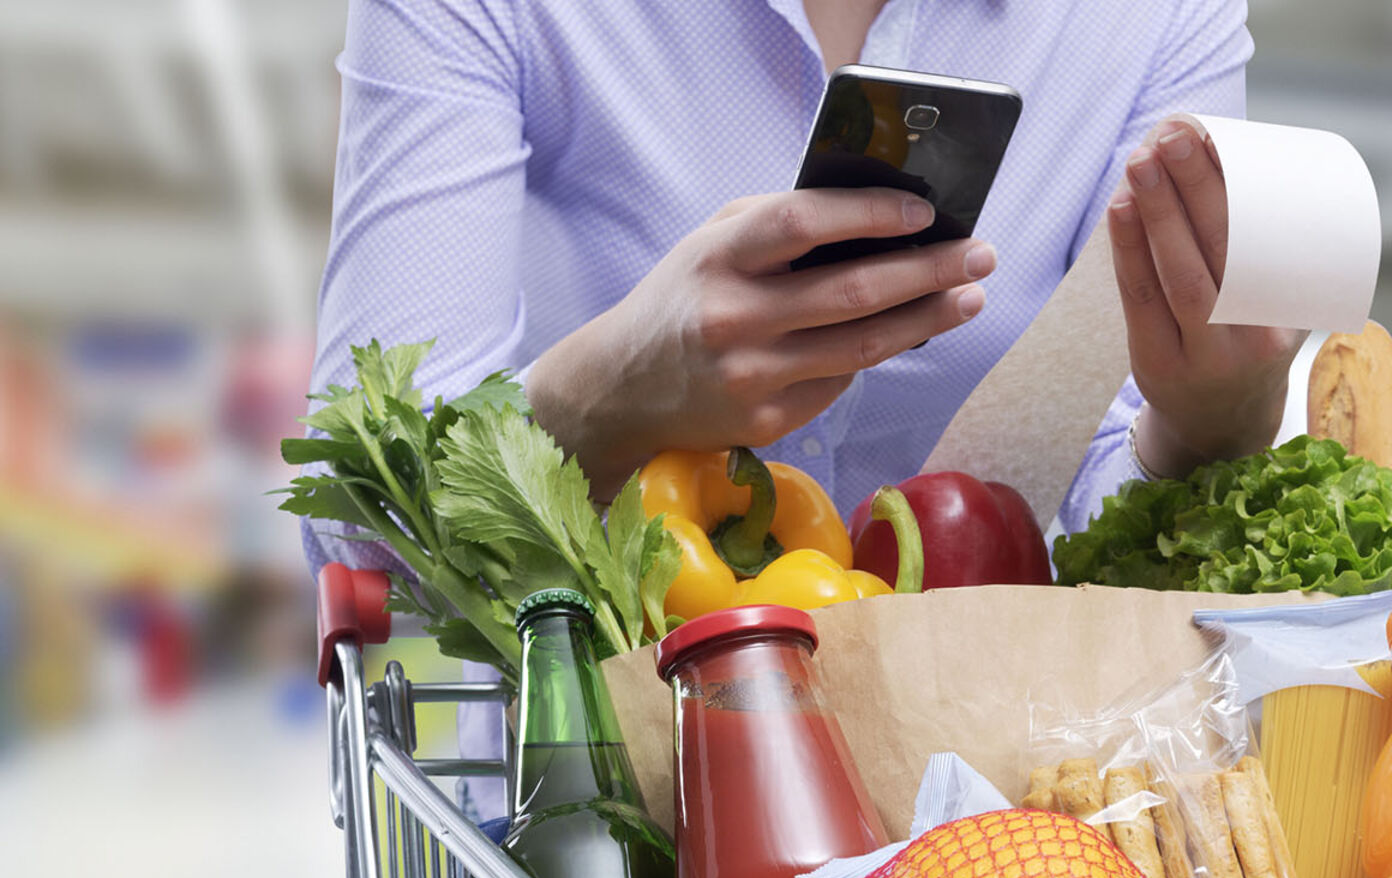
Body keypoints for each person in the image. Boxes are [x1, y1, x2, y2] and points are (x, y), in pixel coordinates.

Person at [307, 0, 1306, 818]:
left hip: (960, 801)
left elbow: (1103, 491)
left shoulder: (1152, 19)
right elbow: (356, 508)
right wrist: (609, 393)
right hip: (587, 804)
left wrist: (1205, 424)